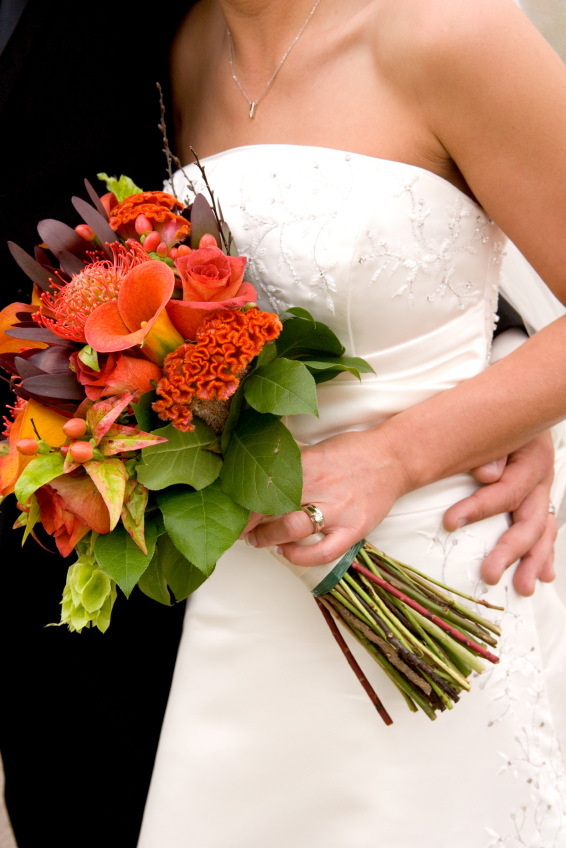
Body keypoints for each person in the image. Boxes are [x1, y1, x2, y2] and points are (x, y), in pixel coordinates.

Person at [136, 0, 566, 846]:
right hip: (249, 592)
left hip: (441, 556)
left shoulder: (450, 30)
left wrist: (399, 456)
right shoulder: (186, 50)